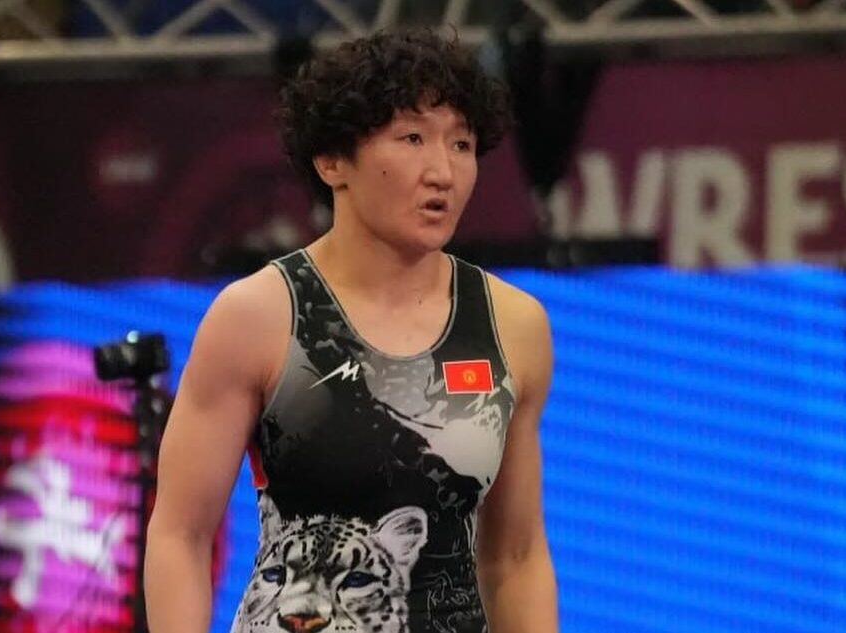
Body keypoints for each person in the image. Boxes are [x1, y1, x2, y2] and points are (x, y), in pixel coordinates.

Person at [144, 28, 557, 633]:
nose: (443, 171)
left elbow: (515, 558)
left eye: (462, 144)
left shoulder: (512, 325)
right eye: (413, 138)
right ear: (332, 161)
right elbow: (181, 534)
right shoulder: (257, 316)